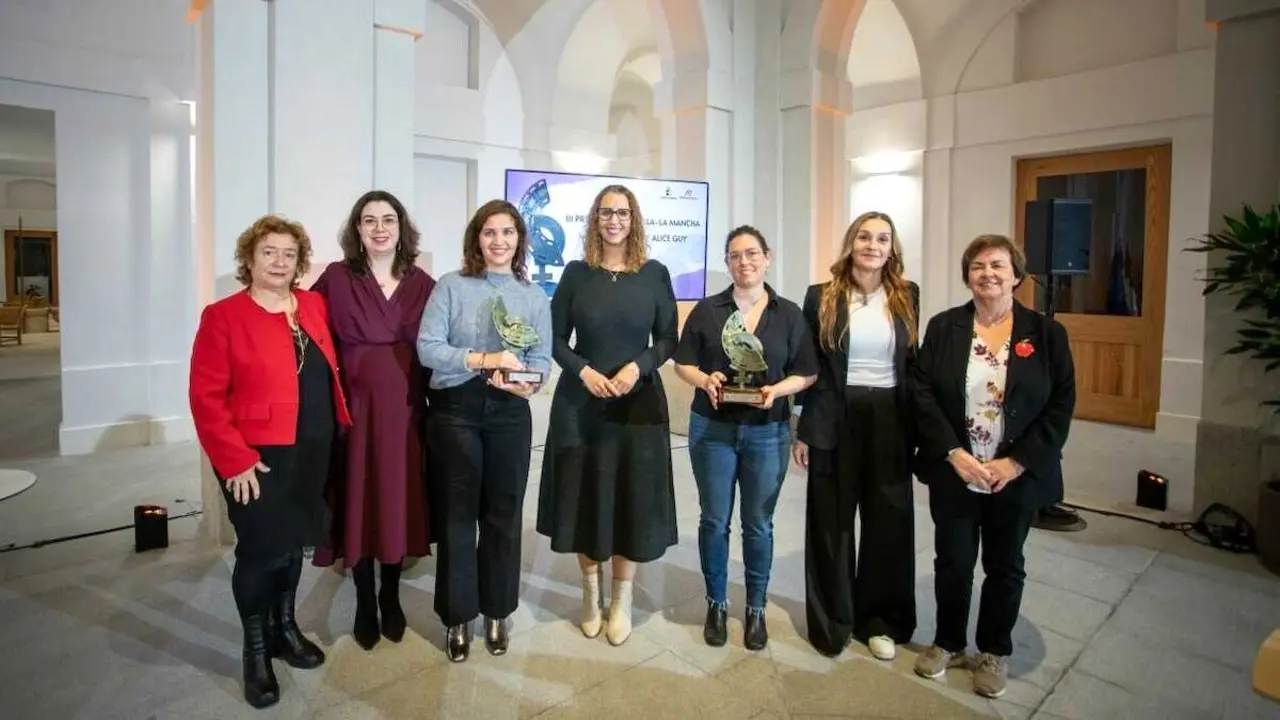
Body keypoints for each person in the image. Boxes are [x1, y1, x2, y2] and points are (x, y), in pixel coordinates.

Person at [189, 215, 351, 709]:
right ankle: (255, 650)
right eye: (269, 253)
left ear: (299, 263)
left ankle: (285, 629)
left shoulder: (313, 305)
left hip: (311, 449)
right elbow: (205, 397)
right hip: (255, 457)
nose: (279, 262)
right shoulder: (224, 316)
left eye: (288, 254)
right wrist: (233, 460)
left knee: (292, 544)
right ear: (249, 260)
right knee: (260, 552)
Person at [910, 234, 1075, 699]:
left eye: (998, 266)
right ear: (967, 275)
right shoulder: (945, 327)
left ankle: (994, 650)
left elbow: (1061, 405)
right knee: (954, 561)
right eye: (978, 266)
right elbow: (922, 394)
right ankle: (947, 642)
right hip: (957, 470)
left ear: (1016, 276)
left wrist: (1017, 463)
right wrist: (952, 452)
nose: (988, 274)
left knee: (1005, 564)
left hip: (1012, 475)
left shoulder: (1046, 334)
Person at [537, 184, 679, 647]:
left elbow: (668, 340)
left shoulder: (654, 274)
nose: (614, 220)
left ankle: (621, 601)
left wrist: (639, 365)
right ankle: (589, 593)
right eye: (605, 212)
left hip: (637, 405)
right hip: (583, 405)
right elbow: (556, 338)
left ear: (634, 219)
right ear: (595, 220)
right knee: (585, 496)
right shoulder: (577, 274)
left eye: (622, 212)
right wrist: (582, 371)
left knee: (630, 499)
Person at [416, 199, 552, 663]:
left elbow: (541, 363)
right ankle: (458, 616)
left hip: (509, 412)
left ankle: (497, 611)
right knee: (457, 515)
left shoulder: (532, 296)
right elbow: (427, 349)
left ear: (519, 240)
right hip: (456, 410)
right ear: (477, 238)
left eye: (508, 232)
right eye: (490, 232)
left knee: (503, 515)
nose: (499, 241)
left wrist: (524, 381)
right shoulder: (451, 286)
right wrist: (482, 359)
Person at [672, 225, 818, 650]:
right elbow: (683, 362)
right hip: (713, 430)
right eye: (735, 255)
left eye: (752, 253)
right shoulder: (708, 310)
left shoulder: (789, 314)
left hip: (767, 432)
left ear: (767, 257)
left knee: (758, 525)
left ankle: (756, 607)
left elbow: (807, 372)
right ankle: (716, 603)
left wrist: (776, 391)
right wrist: (705, 379)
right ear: (727, 262)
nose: (744, 262)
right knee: (715, 521)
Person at [311, 190, 436, 650]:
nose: (379, 228)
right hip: (353, 413)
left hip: (405, 412)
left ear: (401, 228)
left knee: (395, 501)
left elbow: (442, 344)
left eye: (388, 220)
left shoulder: (423, 283)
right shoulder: (337, 278)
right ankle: (364, 597)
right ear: (357, 230)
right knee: (357, 500)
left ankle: (391, 593)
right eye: (369, 221)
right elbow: (308, 332)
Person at [793, 211, 920, 661]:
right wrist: (803, 430)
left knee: (889, 521)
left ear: (892, 249)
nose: (873, 245)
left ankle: (881, 622)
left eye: (882, 239)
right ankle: (833, 622)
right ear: (851, 243)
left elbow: (911, 365)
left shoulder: (907, 295)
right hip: (833, 416)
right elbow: (809, 369)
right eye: (864, 237)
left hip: (890, 417)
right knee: (831, 523)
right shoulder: (821, 296)